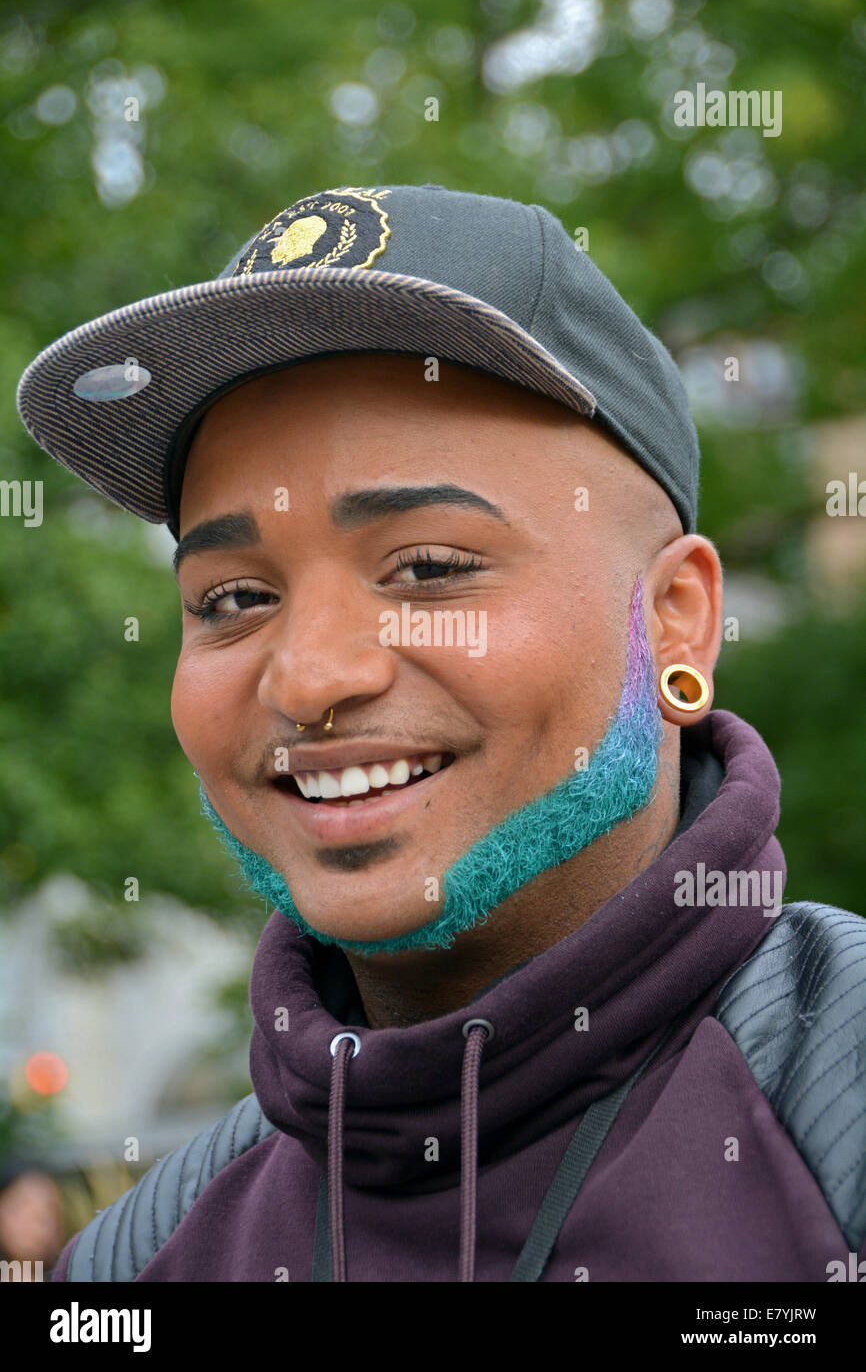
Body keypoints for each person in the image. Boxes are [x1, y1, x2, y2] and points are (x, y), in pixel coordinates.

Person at [16, 184, 866, 1283]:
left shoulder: (829, 1112)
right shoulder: (142, 1256)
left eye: (427, 568)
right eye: (231, 598)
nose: (313, 676)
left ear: (674, 621)